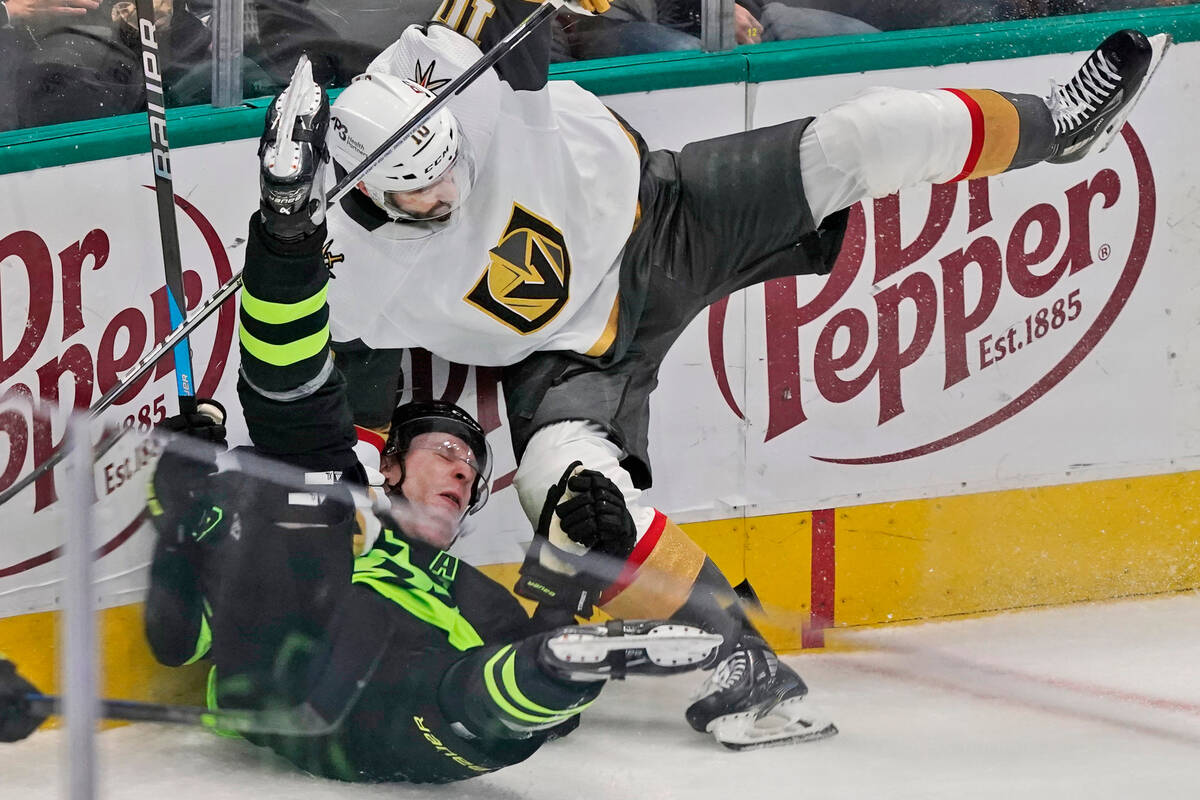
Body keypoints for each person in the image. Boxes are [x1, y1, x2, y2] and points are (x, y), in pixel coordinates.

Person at [265, 0, 1166, 747]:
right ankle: (740, 654)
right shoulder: (353, 271)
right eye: (421, 194)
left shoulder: (437, 68)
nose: (448, 189)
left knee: (855, 139)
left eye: (448, 167)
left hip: (669, 208)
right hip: (575, 357)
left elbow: (493, 11)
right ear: (367, 189)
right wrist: (354, 509)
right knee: (571, 495)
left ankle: (1061, 125)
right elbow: (322, 395)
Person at [129, 162, 726, 782]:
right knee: (312, 469)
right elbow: (182, 643)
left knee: (493, 691)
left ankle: (541, 675)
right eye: (444, 450)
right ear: (388, 464)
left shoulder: (470, 594)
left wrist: (578, 569)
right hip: (287, 676)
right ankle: (288, 231)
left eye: (471, 468)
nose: (462, 470)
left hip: (400, 727)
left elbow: (559, 723)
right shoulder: (319, 510)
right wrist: (184, 517)